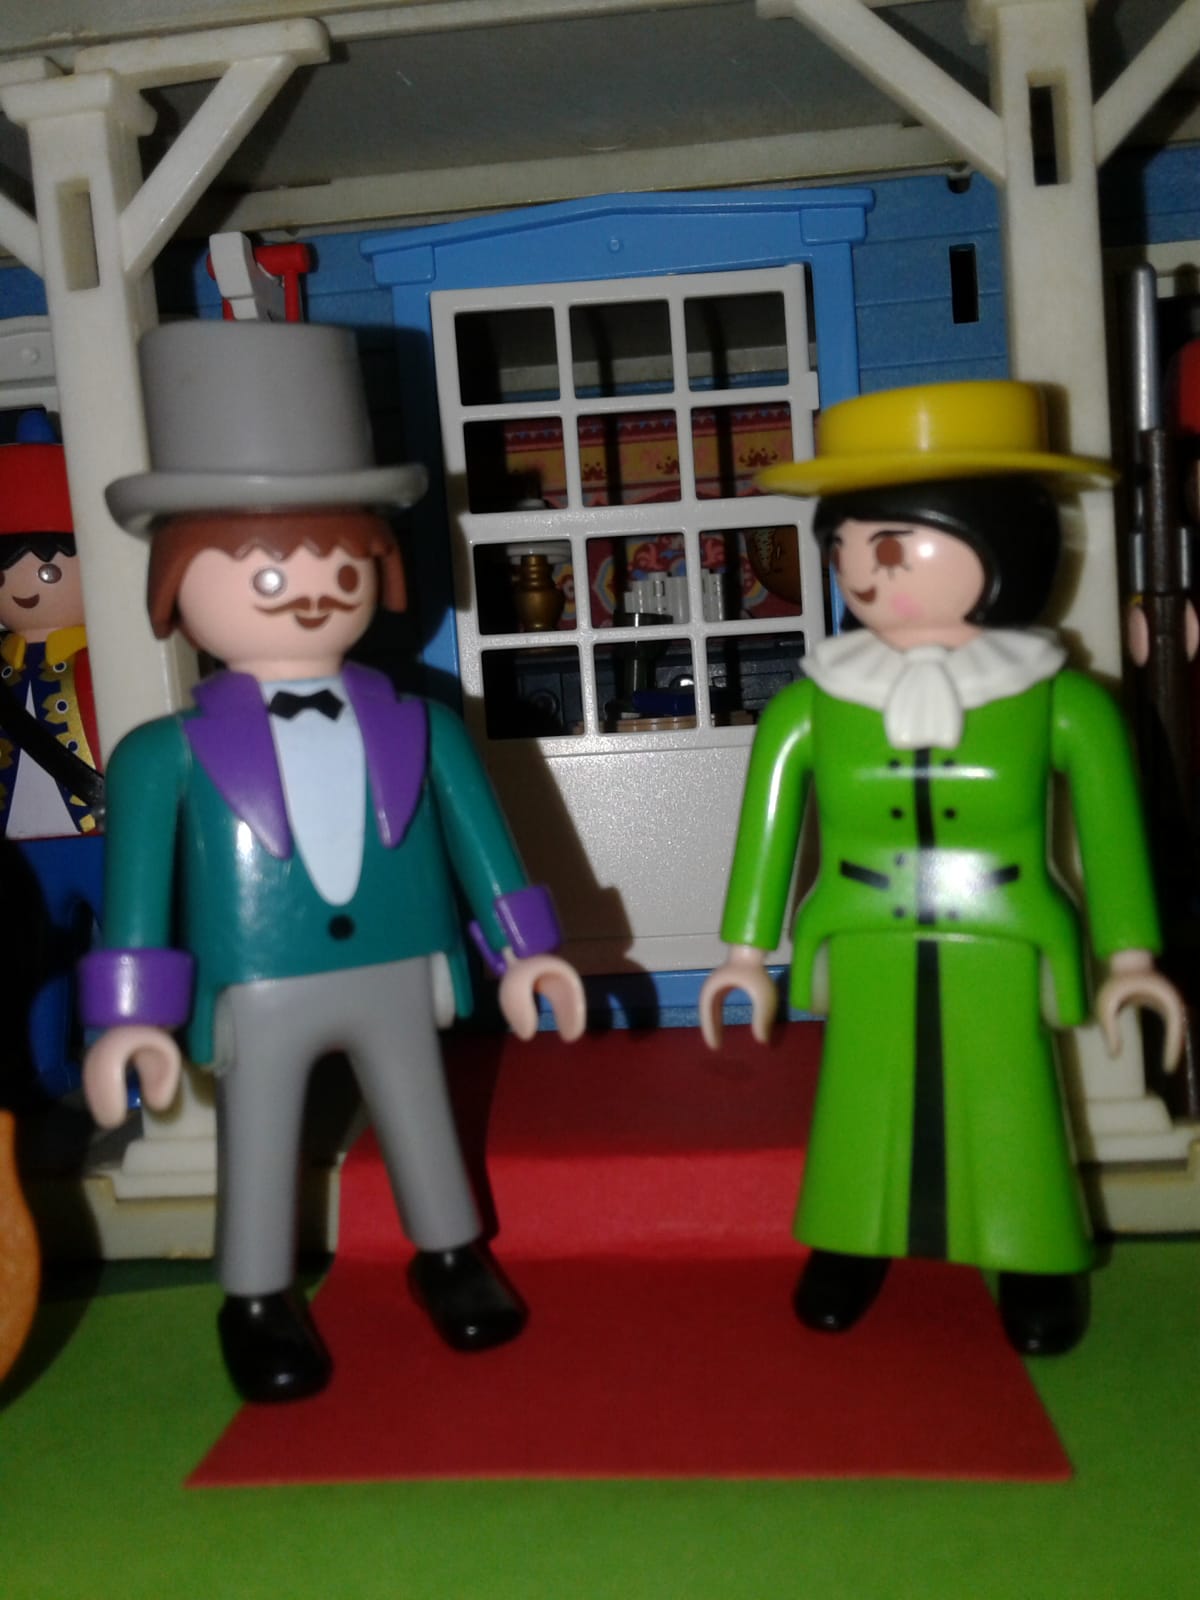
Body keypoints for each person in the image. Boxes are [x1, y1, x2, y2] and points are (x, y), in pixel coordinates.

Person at [80, 320, 585, 1402]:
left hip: (402, 966)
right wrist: (129, 1018)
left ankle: (449, 1256)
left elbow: (486, 848)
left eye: (340, 565)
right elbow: (135, 904)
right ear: (178, 586)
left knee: (421, 1115)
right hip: (258, 981)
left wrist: (528, 951)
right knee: (259, 1137)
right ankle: (257, 1297)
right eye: (263, 573)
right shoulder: (162, 756)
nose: (310, 593)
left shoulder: (425, 724)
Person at [700, 380, 1184, 1356]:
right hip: (861, 935)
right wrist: (744, 951)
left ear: (997, 542)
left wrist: (1132, 957)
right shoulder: (814, 702)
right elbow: (769, 829)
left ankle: (1035, 1255)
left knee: (1012, 1099)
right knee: (860, 1095)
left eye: (892, 546)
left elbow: (1112, 833)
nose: (864, 571)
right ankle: (850, 1240)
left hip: (1003, 937)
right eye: (846, 547)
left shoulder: (1060, 703)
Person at [0, 411, 103, 1098]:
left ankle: (124, 1062)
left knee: (122, 951)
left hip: (102, 832)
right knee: (33, 961)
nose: (25, 587)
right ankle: (41, 1071)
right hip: (19, 846)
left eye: (46, 565)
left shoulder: (106, 656)